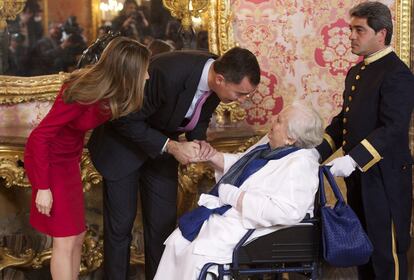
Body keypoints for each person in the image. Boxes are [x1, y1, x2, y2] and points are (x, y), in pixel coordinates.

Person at [87, 46, 261, 280]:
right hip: (122, 147)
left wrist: (200, 142)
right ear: (220, 79)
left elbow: (200, 116)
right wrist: (171, 146)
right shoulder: (166, 73)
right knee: (120, 230)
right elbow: (124, 118)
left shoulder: (217, 79)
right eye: (240, 94)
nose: (241, 100)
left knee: (162, 228)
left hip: (160, 152)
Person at [24, 37, 150, 280]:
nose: (147, 77)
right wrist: (42, 187)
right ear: (128, 71)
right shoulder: (83, 91)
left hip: (69, 162)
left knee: (77, 236)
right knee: (65, 240)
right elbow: (39, 137)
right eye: (145, 71)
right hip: (50, 161)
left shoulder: (113, 92)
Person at [153, 103, 324, 279]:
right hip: (234, 215)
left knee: (199, 254)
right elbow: (242, 164)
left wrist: (235, 196)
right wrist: (212, 156)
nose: (273, 121)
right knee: (177, 242)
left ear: (291, 138)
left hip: (260, 226)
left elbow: (287, 211)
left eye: (279, 121)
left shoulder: (301, 164)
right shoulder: (271, 143)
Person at [314, 2, 414, 279]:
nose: (351, 36)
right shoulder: (356, 73)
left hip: (386, 180)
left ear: (381, 33)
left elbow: (392, 128)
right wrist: (315, 153)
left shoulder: (398, 74)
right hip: (358, 177)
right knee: (364, 251)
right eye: (351, 29)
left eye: (360, 30)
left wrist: (353, 159)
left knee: (386, 255)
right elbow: (344, 121)